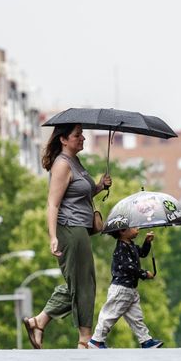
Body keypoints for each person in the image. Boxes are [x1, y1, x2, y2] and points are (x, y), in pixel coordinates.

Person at [23, 123, 111, 349]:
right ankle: (85, 339)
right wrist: (53, 236)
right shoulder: (62, 164)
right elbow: (53, 204)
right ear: (63, 139)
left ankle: (39, 322)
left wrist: (100, 186)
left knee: (82, 282)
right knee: (83, 284)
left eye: (82, 134)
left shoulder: (75, 162)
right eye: (77, 135)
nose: (83, 138)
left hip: (79, 228)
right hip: (68, 228)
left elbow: (79, 193)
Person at [87, 228, 163, 348]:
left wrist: (147, 242)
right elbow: (128, 267)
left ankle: (146, 340)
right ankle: (97, 340)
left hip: (131, 290)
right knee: (109, 314)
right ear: (122, 231)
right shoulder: (121, 248)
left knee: (136, 317)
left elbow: (142, 253)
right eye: (133, 227)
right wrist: (144, 274)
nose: (137, 229)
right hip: (121, 289)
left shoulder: (131, 245)